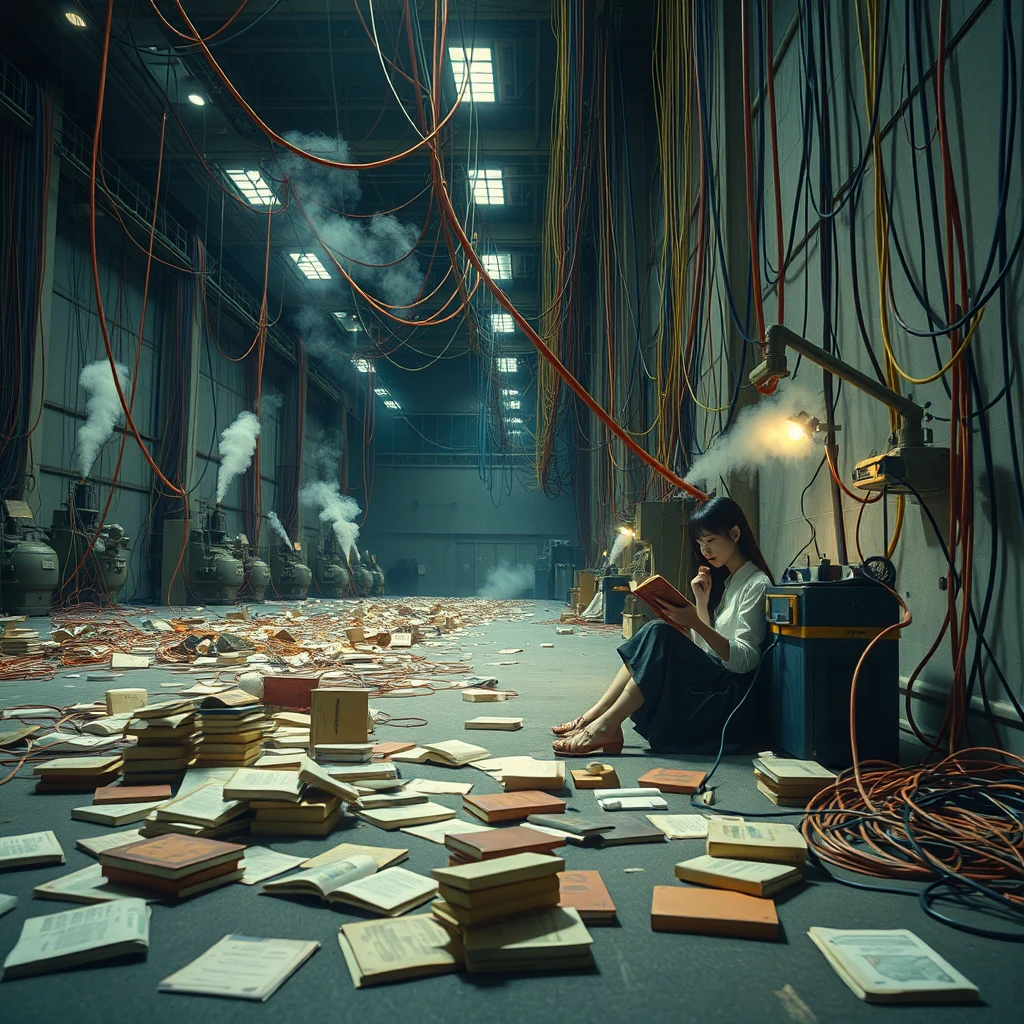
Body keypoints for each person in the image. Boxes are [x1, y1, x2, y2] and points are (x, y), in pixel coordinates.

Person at [551, 496, 773, 756]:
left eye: (711, 541)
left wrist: (693, 621)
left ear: (735, 533)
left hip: (731, 702)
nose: (705, 551)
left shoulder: (757, 584)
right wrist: (701, 603)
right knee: (653, 631)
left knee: (659, 633)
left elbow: (745, 662)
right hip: (717, 682)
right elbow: (708, 650)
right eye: (700, 543)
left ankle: (605, 725)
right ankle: (597, 717)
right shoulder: (731, 582)